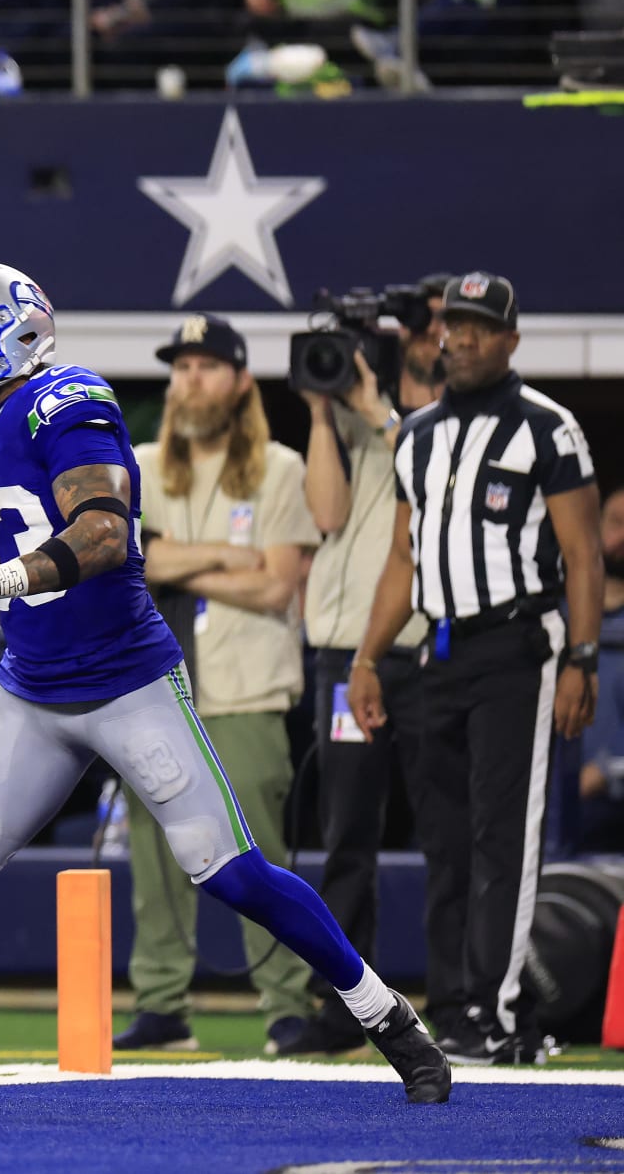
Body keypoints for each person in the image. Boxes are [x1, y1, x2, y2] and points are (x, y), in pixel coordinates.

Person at [0, 262, 449, 1103]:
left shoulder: (68, 401)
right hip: (32, 687)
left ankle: (387, 1016)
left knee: (231, 872)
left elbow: (105, 534)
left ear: (21, 330)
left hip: (127, 682)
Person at [349, 271, 604, 1066]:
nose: (459, 339)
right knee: (446, 840)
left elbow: (584, 554)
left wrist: (582, 659)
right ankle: (453, 1002)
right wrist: (365, 657)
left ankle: (497, 1010)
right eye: (450, 326)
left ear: (510, 340)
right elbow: (402, 556)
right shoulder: (417, 433)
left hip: (517, 647)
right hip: (438, 647)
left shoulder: (547, 428)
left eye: (478, 327)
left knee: (503, 836)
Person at [120, 315, 321, 1055]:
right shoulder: (138, 463)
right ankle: (162, 1002)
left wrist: (174, 557)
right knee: (152, 846)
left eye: (207, 365)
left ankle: (285, 1005)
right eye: (181, 366)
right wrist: (228, 556)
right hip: (157, 687)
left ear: (240, 380)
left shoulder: (281, 465)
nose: (190, 379)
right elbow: (129, 561)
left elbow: (276, 588)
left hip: (248, 686)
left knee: (257, 852)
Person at [289, 280, 451, 1054]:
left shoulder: (459, 410)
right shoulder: (355, 419)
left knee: (448, 828)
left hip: (427, 647)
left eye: (433, 328)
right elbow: (325, 515)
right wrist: (326, 410)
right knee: (345, 832)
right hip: (343, 651)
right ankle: (347, 1005)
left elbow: (431, 462)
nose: (425, 339)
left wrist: (380, 410)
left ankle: (458, 998)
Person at [576, 486, 624, 851]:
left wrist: (606, 772)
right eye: (616, 523)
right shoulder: (561, 619)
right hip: (561, 809)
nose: (621, 537)